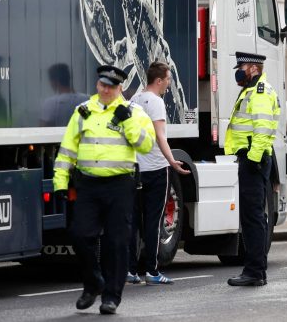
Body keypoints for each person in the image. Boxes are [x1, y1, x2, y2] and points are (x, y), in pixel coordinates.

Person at [53, 65, 156, 315]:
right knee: (79, 235)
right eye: (102, 85)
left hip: (120, 185)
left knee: (117, 243)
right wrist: (60, 181)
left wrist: (127, 121)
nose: (106, 89)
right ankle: (93, 283)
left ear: (120, 88)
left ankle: (111, 296)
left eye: (111, 86)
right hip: (88, 184)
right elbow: (68, 149)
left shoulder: (134, 112)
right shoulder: (83, 112)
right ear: (97, 85)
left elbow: (146, 145)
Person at [126, 61, 191, 286]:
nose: (169, 83)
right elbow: (160, 136)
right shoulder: (156, 102)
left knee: (133, 221)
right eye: (168, 79)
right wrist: (172, 161)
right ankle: (152, 272)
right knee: (153, 222)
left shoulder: (133, 100)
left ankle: (131, 271)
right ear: (159, 80)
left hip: (136, 169)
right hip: (155, 168)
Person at [224, 52, 280, 287]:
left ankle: (255, 271)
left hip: (253, 160)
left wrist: (253, 159)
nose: (239, 71)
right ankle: (256, 270)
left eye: (242, 67)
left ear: (254, 69)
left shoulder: (259, 92)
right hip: (251, 159)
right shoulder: (252, 90)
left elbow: (263, 128)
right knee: (252, 216)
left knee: (253, 217)